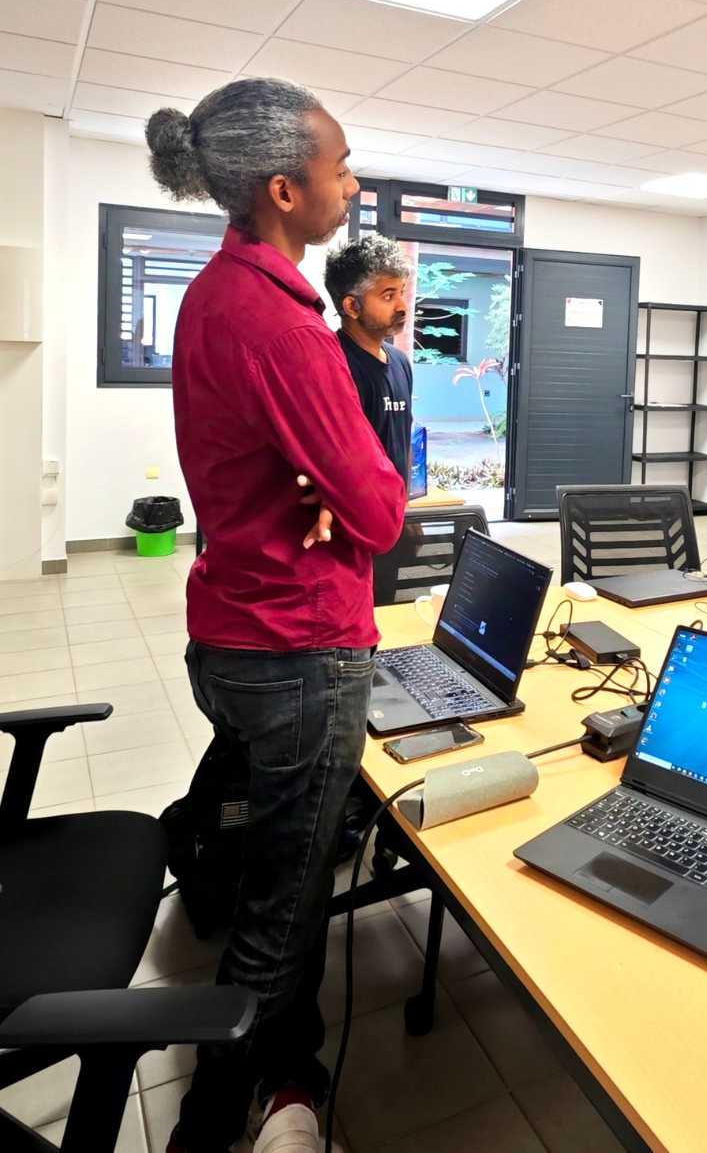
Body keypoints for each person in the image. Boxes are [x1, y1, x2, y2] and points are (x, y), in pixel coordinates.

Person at [146, 77, 407, 1153]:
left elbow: (263, 463)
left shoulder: (213, 293)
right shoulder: (287, 322)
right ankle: (218, 1119)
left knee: (278, 862)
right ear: (287, 190)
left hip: (230, 630)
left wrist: (314, 487)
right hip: (301, 649)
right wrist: (335, 491)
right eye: (342, 168)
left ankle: (287, 1074)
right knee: (286, 909)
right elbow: (384, 512)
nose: (354, 182)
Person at [324, 235, 414, 485]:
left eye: (402, 292)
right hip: (357, 514)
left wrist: (404, 507)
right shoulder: (332, 363)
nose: (402, 306)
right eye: (388, 296)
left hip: (394, 513)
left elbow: (403, 439)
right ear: (352, 306)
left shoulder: (400, 362)